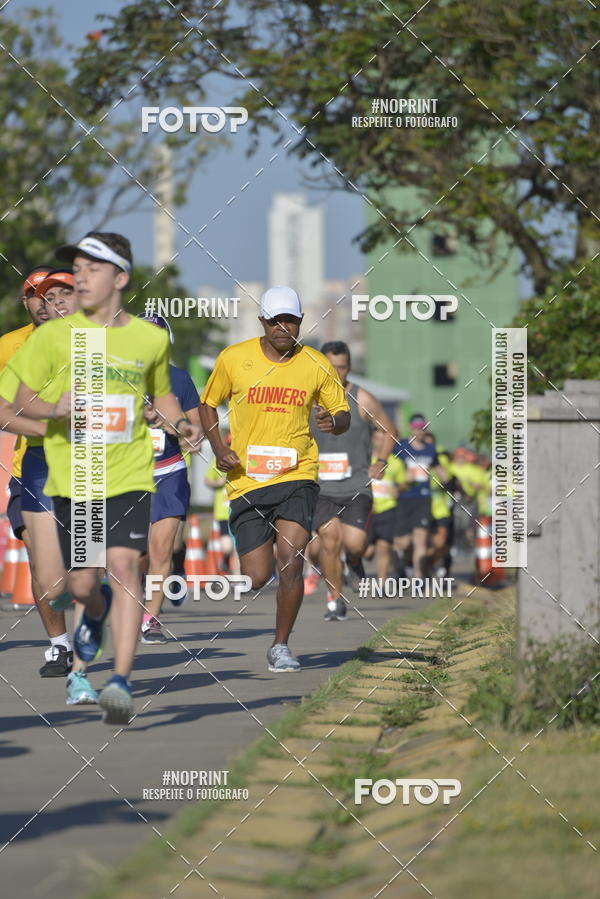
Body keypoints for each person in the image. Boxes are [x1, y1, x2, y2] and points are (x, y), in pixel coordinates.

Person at [7, 231, 202, 724]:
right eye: (69, 278)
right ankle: (94, 613)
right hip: (55, 469)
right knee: (71, 584)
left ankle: (111, 680)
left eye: (83, 276)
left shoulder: (143, 339)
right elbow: (11, 408)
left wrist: (179, 425)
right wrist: (56, 416)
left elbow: (169, 403)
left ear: (117, 279)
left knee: (123, 567)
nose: (64, 295)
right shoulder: (43, 343)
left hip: (118, 472)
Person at [198, 286, 350, 672]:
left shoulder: (315, 363)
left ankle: (280, 646)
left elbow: (342, 411)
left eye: (291, 320)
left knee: (291, 560)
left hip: (297, 474)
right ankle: (270, 613)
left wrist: (334, 422)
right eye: (275, 320)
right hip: (247, 479)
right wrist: (217, 447)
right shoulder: (234, 358)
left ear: (300, 321)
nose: (283, 327)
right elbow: (207, 404)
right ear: (262, 322)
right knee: (256, 576)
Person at [0, 265, 82, 678]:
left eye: (56, 295)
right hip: (32, 466)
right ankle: (59, 646)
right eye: (38, 295)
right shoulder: (11, 347)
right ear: (26, 302)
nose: (46, 303)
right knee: (41, 559)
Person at [311, 341, 397, 622]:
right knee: (329, 540)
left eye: (343, 367)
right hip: (320, 488)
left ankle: (355, 560)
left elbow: (389, 430)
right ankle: (335, 600)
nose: (338, 373)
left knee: (356, 544)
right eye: (332, 367)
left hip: (356, 486)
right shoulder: (309, 397)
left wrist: (381, 461)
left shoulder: (362, 398)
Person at [137, 312, 202, 644]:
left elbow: (196, 429)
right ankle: (136, 599)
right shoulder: (117, 379)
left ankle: (151, 619)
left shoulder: (180, 380)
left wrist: (179, 429)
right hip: (128, 476)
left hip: (169, 473)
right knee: (137, 556)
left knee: (161, 549)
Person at [393, 414, 448, 579]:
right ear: (411, 428)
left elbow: (440, 469)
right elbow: (389, 467)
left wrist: (446, 478)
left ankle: (419, 578)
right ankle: (402, 566)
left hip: (423, 498)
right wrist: (402, 479)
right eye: (417, 428)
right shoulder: (400, 447)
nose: (420, 431)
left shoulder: (431, 449)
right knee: (404, 542)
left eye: (423, 428)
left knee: (421, 540)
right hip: (403, 498)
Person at [364, 430, 406, 580]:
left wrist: (398, 488)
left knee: (384, 547)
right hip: (367, 510)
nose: (381, 442)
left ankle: (381, 584)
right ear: (372, 439)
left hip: (387, 509)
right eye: (377, 438)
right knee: (367, 551)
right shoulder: (364, 460)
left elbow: (403, 483)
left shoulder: (396, 462)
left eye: (384, 439)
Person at [204, 432, 240, 576]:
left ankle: (237, 578)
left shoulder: (244, 460)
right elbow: (207, 480)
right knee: (227, 546)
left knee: (237, 546)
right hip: (223, 512)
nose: (232, 448)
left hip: (239, 509)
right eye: (229, 444)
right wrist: (217, 483)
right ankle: (225, 560)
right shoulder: (218, 461)